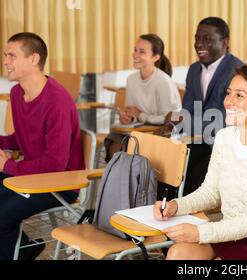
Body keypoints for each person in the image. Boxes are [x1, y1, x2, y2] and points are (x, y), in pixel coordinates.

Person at [154, 66, 247, 260]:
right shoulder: (224, 137)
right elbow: (210, 192)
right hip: (231, 234)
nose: (228, 102)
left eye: (239, 96)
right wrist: (175, 205)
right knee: (178, 253)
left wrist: (201, 233)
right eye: (228, 93)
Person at [0, 32, 84, 259]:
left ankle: (20, 251)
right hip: (32, 175)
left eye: (11, 56)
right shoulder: (17, 93)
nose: (5, 61)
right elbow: (22, 138)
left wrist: (9, 165)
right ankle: (25, 249)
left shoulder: (57, 101)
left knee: (1, 216)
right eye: (5, 55)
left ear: (34, 59)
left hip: (59, 183)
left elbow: (55, 164)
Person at [156, 17, 244, 196]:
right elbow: (188, 108)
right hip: (197, 138)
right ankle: (162, 208)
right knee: (161, 158)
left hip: (224, 142)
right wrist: (173, 124)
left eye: (207, 39)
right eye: (197, 38)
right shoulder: (194, 69)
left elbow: (224, 118)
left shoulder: (237, 70)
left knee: (187, 167)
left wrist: (184, 122)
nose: (199, 44)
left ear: (225, 42)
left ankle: (183, 211)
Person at [104, 34, 181, 162]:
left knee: (124, 154)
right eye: (135, 50)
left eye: (142, 52)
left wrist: (141, 115)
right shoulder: (131, 80)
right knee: (114, 144)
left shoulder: (163, 82)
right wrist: (128, 118)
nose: (135, 55)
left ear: (155, 57)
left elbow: (172, 119)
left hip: (160, 134)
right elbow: (132, 111)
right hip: (139, 131)